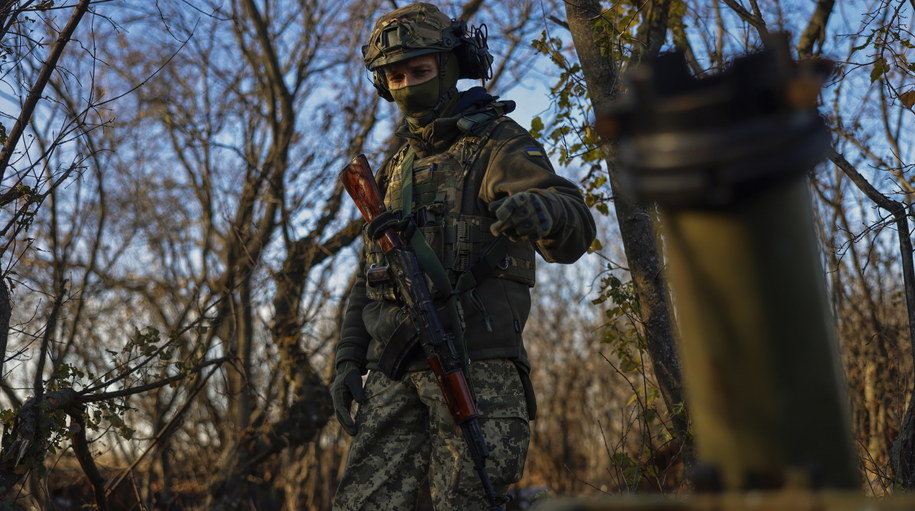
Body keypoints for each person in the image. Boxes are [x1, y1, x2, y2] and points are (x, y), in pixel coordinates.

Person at [331, 3, 596, 509]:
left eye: (421, 71)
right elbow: (371, 275)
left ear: (451, 67)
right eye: (395, 75)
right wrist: (347, 360)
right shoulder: (393, 168)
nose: (407, 84)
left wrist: (541, 211)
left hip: (478, 374)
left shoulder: (499, 145)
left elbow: (575, 224)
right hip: (395, 371)